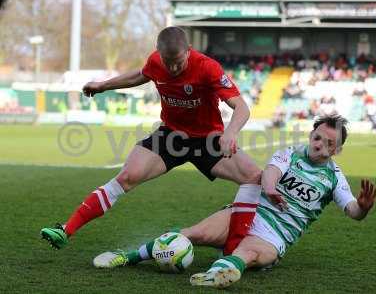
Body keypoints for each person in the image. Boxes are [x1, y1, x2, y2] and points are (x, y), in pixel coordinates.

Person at [40, 26, 262, 255]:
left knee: (254, 177)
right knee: (127, 177)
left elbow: (241, 107)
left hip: (206, 140)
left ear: (189, 51)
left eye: (178, 61)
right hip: (170, 136)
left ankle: (234, 249)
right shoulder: (156, 62)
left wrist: (231, 132)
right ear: (158, 53)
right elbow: (140, 75)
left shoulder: (208, 67)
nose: (173, 68)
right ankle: (66, 230)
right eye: (168, 62)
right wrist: (103, 85)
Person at [92, 115, 376, 289]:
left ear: (337, 150)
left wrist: (362, 207)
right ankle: (127, 257)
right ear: (311, 135)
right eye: (318, 138)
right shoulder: (288, 154)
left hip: (275, 236)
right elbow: (269, 176)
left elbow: (352, 210)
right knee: (195, 233)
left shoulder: (334, 178)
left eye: (328, 143)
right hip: (247, 213)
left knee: (250, 253)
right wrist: (271, 190)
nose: (320, 145)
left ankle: (220, 272)